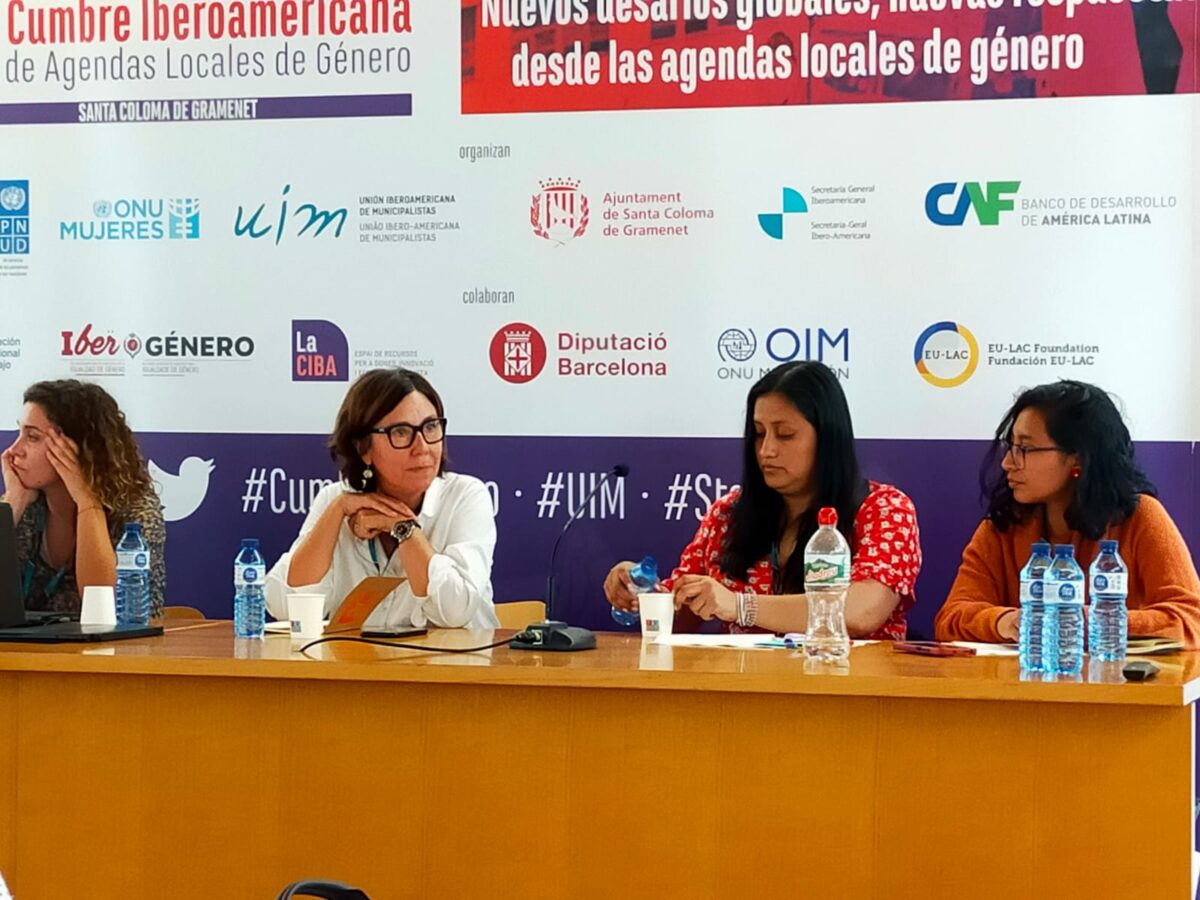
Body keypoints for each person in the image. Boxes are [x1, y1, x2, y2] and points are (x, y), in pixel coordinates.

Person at [603, 362, 921, 638]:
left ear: (827, 438)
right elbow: (682, 616)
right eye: (758, 433)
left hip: (847, 684)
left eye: (785, 434)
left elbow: (862, 611)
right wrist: (642, 592)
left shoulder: (884, 509)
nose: (766, 450)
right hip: (742, 686)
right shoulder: (728, 513)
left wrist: (740, 606)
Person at [935, 380, 1200, 646]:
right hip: (1024, 673)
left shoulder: (1140, 516)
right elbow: (950, 619)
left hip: (1113, 672)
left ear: (1078, 457)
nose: (1007, 463)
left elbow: (1191, 620)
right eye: (1010, 447)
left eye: (1025, 449)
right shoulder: (1004, 524)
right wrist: (1003, 621)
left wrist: (1095, 621)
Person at [266, 368, 499, 630]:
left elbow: (456, 611)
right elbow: (285, 608)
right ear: (363, 448)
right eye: (401, 432)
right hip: (360, 657)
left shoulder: (465, 496)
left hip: (457, 657)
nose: (422, 447)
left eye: (431, 427)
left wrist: (402, 527)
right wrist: (338, 509)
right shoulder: (335, 500)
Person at [1, 380, 166, 617]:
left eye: (32, 437)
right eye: (20, 433)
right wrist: (13, 502)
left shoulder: (135, 510)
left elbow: (104, 609)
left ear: (76, 448)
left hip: (110, 640)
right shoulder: (26, 506)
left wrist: (87, 501)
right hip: (26, 643)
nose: (13, 451)